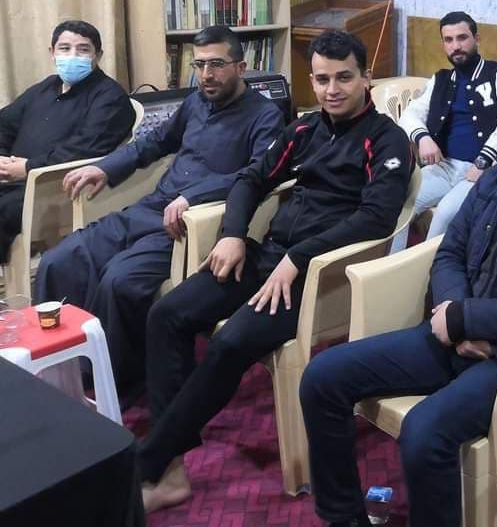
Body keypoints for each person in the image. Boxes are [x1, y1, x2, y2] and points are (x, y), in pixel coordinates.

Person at [300, 66, 497, 527]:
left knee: (423, 432)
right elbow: (450, 251)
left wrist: (467, 319)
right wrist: (452, 312)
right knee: (321, 377)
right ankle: (344, 517)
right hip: (453, 333)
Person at [138, 30, 412, 514]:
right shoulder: (304, 130)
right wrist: (233, 234)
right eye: (322, 79)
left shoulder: (385, 138)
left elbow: (376, 219)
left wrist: (298, 258)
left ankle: (147, 461)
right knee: (167, 314)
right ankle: (171, 466)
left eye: (344, 78)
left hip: (322, 275)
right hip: (268, 255)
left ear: (366, 77)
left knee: (229, 343)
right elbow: (251, 178)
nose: (332, 90)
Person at [34, 25, 283, 397]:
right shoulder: (195, 102)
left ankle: (113, 384)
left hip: (189, 224)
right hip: (153, 207)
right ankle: (59, 370)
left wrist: (193, 196)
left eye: (217, 64)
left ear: (241, 67)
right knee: (60, 259)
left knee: (118, 281)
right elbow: (154, 142)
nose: (206, 74)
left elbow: (258, 176)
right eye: (200, 65)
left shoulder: (266, 116)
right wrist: (105, 167)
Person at [0, 20, 134, 261]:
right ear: (52, 53)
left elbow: (84, 150)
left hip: (54, 190)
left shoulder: (110, 97)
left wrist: (27, 168)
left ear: (98, 56)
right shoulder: (46, 87)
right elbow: (5, 124)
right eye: (64, 48)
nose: (73, 56)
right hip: (13, 178)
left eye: (83, 49)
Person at [392, 11, 497, 249]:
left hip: (486, 169)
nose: (455, 46)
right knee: (398, 205)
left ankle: (426, 270)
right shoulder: (440, 80)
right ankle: (391, 266)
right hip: (444, 167)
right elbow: (409, 114)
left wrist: (484, 159)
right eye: (448, 40)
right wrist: (423, 138)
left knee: (445, 214)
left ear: (476, 39)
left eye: (462, 38)